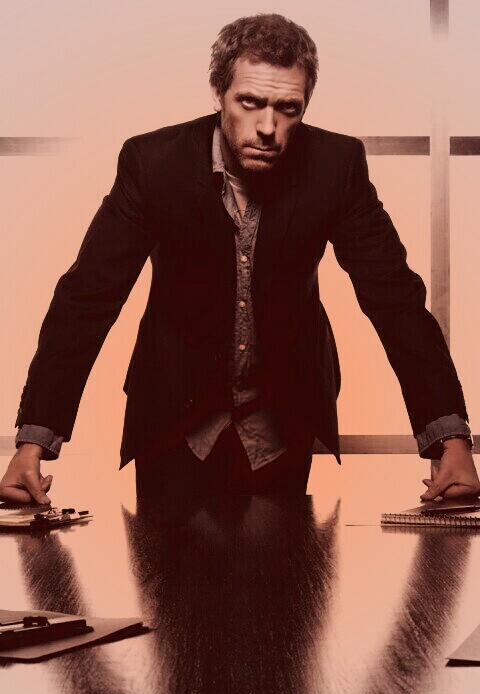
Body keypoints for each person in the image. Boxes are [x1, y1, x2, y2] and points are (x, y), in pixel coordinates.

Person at [1, 13, 478, 500]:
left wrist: (451, 439)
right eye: (249, 102)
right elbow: (88, 297)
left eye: (288, 108)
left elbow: (394, 298)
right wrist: (34, 442)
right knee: (159, 552)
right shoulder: (152, 164)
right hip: (174, 421)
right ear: (217, 92)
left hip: (280, 422)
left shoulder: (336, 166)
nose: (268, 127)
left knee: (292, 551)